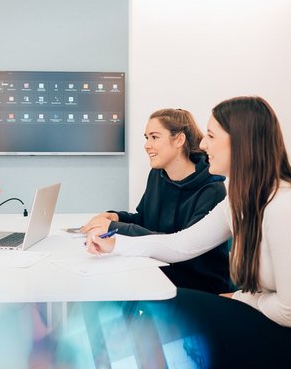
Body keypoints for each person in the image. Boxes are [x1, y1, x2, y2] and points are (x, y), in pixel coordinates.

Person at [86, 96, 291, 369]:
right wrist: (116, 245)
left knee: (170, 316)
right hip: (276, 317)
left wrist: (239, 297)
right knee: (157, 305)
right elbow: (182, 244)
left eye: (211, 135)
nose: (202, 144)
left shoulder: (287, 208)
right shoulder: (239, 201)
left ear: (241, 142)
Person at [81, 108, 232, 294]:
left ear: (179, 140)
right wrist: (116, 217)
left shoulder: (212, 188)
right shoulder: (157, 175)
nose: (147, 145)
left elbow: (185, 251)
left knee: (115, 286)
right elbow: (145, 219)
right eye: (146, 138)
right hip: (159, 267)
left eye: (154, 137)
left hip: (197, 282)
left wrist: (115, 228)